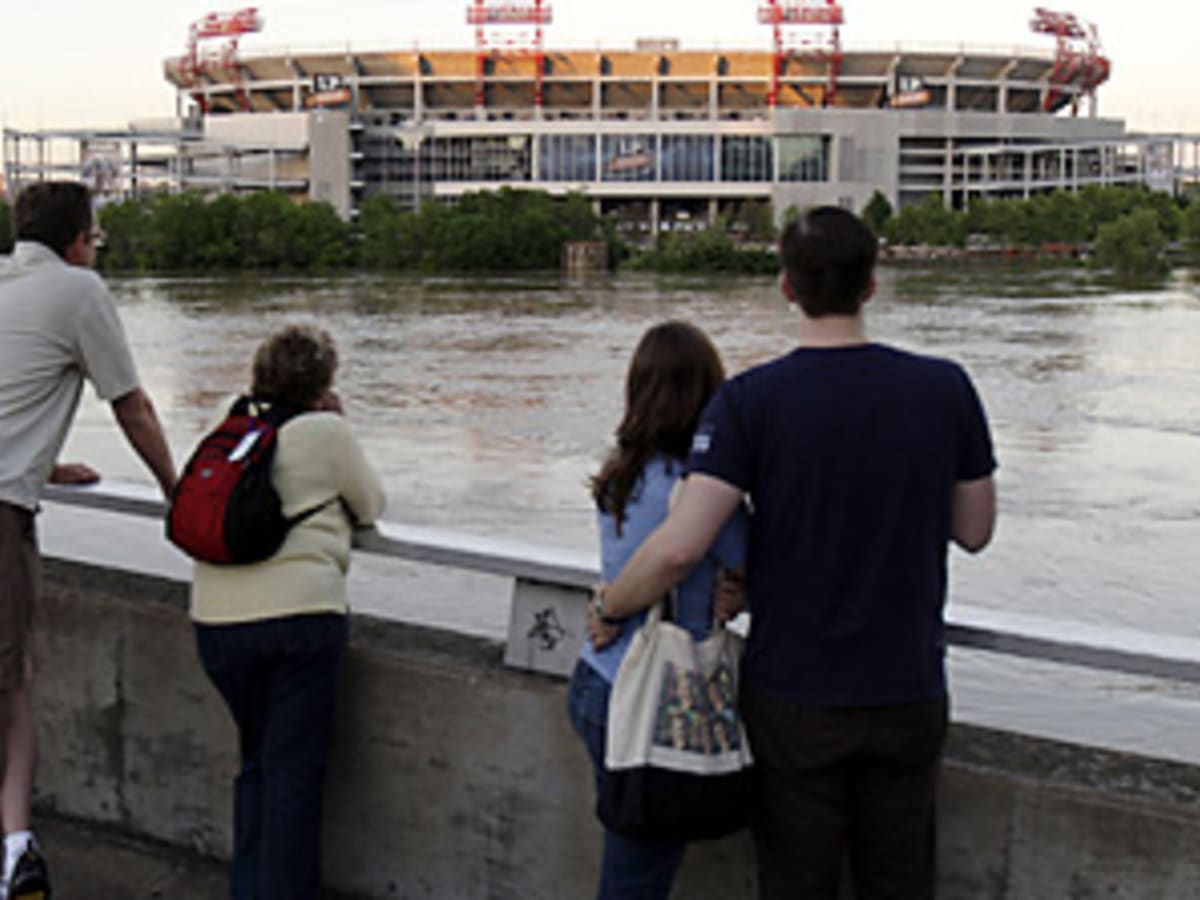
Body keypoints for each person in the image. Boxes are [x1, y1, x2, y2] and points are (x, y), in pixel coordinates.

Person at [599, 207, 997, 899]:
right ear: (872, 284)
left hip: (794, 695)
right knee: (900, 879)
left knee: (796, 881)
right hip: (908, 683)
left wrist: (611, 603)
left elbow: (682, 544)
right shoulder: (945, 387)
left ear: (786, 286)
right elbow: (975, 529)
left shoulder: (750, 402)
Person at [0, 182, 176, 900]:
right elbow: (131, 405)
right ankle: (16, 855)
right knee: (11, 690)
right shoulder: (79, 290)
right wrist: (176, 488)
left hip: (13, 481)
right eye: (94, 239)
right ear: (79, 240)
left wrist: (41, 459)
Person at [189, 324, 385, 900]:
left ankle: (249, 889)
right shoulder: (326, 432)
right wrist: (340, 426)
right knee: (293, 775)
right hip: (299, 623)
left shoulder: (229, 425)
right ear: (324, 382)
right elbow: (371, 505)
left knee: (256, 764)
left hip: (217, 625)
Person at [566, 320, 748, 900]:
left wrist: (610, 607)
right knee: (640, 868)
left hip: (598, 678)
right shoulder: (704, 491)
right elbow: (746, 561)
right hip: (661, 694)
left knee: (629, 846)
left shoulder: (622, 473)